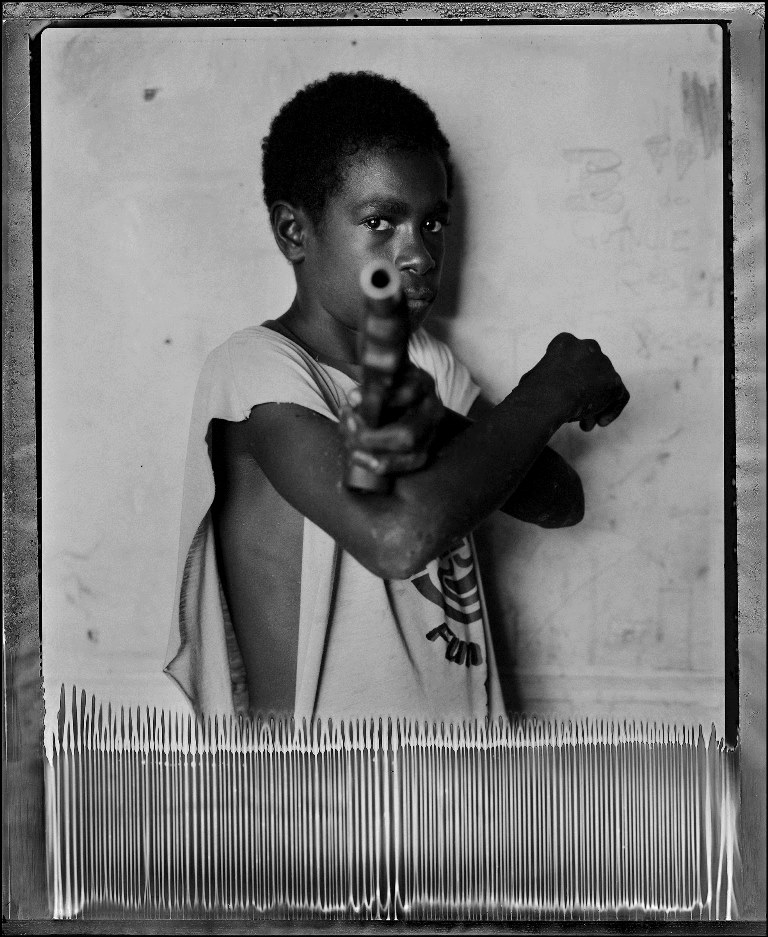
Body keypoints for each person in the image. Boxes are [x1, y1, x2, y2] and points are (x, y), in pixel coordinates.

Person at [164, 72, 629, 724]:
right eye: (381, 221)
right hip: (328, 803)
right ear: (296, 232)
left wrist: (436, 418)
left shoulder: (427, 361)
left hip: (461, 782)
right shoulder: (254, 370)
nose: (417, 254)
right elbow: (398, 539)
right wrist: (548, 390)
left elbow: (559, 500)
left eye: (433, 222)